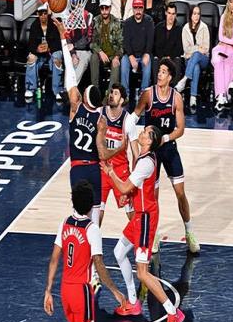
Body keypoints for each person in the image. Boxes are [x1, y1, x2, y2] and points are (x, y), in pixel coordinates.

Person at [101, 124, 186, 322]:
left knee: (142, 273)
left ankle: (173, 313)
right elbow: (134, 188)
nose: (141, 133)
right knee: (119, 252)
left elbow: (124, 186)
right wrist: (128, 195)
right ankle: (132, 301)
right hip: (140, 216)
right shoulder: (144, 157)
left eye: (145, 132)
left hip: (146, 219)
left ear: (150, 141)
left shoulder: (146, 163)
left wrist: (111, 173)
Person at [127, 58, 200, 254]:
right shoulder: (148, 94)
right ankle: (154, 234)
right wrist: (133, 143)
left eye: (163, 72)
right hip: (152, 153)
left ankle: (189, 232)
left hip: (168, 148)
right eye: (158, 71)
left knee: (180, 193)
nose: (159, 74)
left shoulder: (176, 98)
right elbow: (132, 120)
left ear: (170, 77)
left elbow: (181, 129)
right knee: (153, 197)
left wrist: (165, 138)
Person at [57, 18, 125, 225]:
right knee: (94, 221)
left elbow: (70, 77)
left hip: (77, 168)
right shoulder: (101, 119)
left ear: (84, 97)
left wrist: (63, 37)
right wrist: (120, 148)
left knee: (79, 216)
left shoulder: (75, 108)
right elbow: (103, 154)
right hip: (94, 170)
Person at [43, 180, 126, 322]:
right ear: (91, 205)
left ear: (73, 202)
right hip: (81, 292)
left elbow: (54, 259)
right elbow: (98, 263)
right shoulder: (91, 228)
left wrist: (48, 291)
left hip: (65, 291)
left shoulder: (65, 223)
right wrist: (114, 290)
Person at [99, 84, 139, 225]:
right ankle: (93, 238)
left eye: (115, 93)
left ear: (122, 100)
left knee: (131, 212)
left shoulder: (128, 120)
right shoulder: (99, 113)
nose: (111, 95)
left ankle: (142, 235)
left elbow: (136, 153)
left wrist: (134, 179)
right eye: (111, 92)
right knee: (97, 210)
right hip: (102, 169)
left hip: (120, 170)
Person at [24, 3, 63, 101]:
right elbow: (30, 45)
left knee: (57, 57)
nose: (43, 16)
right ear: (38, 14)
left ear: (47, 13)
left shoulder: (53, 24)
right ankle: (30, 88)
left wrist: (49, 48)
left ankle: (58, 90)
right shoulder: (34, 25)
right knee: (31, 57)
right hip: (39, 55)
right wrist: (37, 49)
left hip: (51, 53)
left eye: (45, 13)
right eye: (41, 14)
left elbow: (59, 43)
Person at [176, 5, 211, 110]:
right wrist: (198, 48)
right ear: (190, 15)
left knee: (196, 55)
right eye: (194, 14)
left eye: (198, 14)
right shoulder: (185, 28)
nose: (196, 16)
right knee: (195, 67)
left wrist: (195, 50)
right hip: (189, 60)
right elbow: (186, 49)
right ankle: (193, 97)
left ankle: (185, 79)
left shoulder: (204, 27)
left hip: (203, 59)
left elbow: (206, 48)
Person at [120, 0, 154, 97]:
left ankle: (143, 93)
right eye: (136, 8)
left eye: (140, 8)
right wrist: (131, 56)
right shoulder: (127, 23)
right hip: (131, 54)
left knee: (147, 65)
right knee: (124, 62)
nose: (138, 11)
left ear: (143, 8)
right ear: (133, 9)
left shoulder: (149, 21)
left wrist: (147, 53)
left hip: (144, 54)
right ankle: (125, 94)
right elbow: (126, 42)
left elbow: (150, 40)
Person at [90, 0, 123, 91]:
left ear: (110, 8)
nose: (104, 11)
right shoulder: (95, 21)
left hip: (113, 54)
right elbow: (92, 42)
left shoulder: (117, 22)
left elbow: (121, 44)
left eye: (106, 8)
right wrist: (100, 52)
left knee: (116, 64)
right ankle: (95, 91)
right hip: (100, 54)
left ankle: (109, 94)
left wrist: (116, 57)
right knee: (93, 57)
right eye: (102, 8)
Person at [152, 3, 183, 86]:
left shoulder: (179, 28)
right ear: (166, 13)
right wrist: (164, 58)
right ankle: (157, 87)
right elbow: (156, 46)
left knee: (178, 60)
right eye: (169, 13)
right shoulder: (158, 27)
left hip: (173, 57)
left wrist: (169, 57)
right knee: (155, 60)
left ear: (176, 15)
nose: (171, 16)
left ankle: (174, 88)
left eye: (173, 14)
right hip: (160, 57)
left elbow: (179, 48)